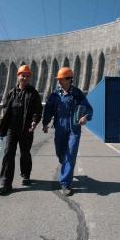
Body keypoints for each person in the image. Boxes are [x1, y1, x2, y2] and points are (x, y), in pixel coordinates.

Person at [42, 67, 93, 196]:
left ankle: (65, 183)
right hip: (59, 127)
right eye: (58, 79)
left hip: (74, 129)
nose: (59, 81)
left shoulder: (77, 94)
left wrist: (85, 117)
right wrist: (45, 123)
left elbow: (88, 109)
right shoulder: (55, 95)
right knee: (60, 152)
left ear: (69, 79)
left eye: (61, 79)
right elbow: (48, 110)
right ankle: (63, 162)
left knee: (70, 154)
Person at [0, 65, 43, 195]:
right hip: (12, 128)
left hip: (26, 128)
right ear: (18, 76)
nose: (25, 77)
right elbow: (5, 107)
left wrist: (34, 121)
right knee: (8, 154)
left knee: (25, 153)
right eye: (23, 75)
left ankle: (26, 174)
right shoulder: (11, 92)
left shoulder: (33, 93)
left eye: (27, 76)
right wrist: (3, 116)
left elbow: (38, 110)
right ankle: (6, 183)